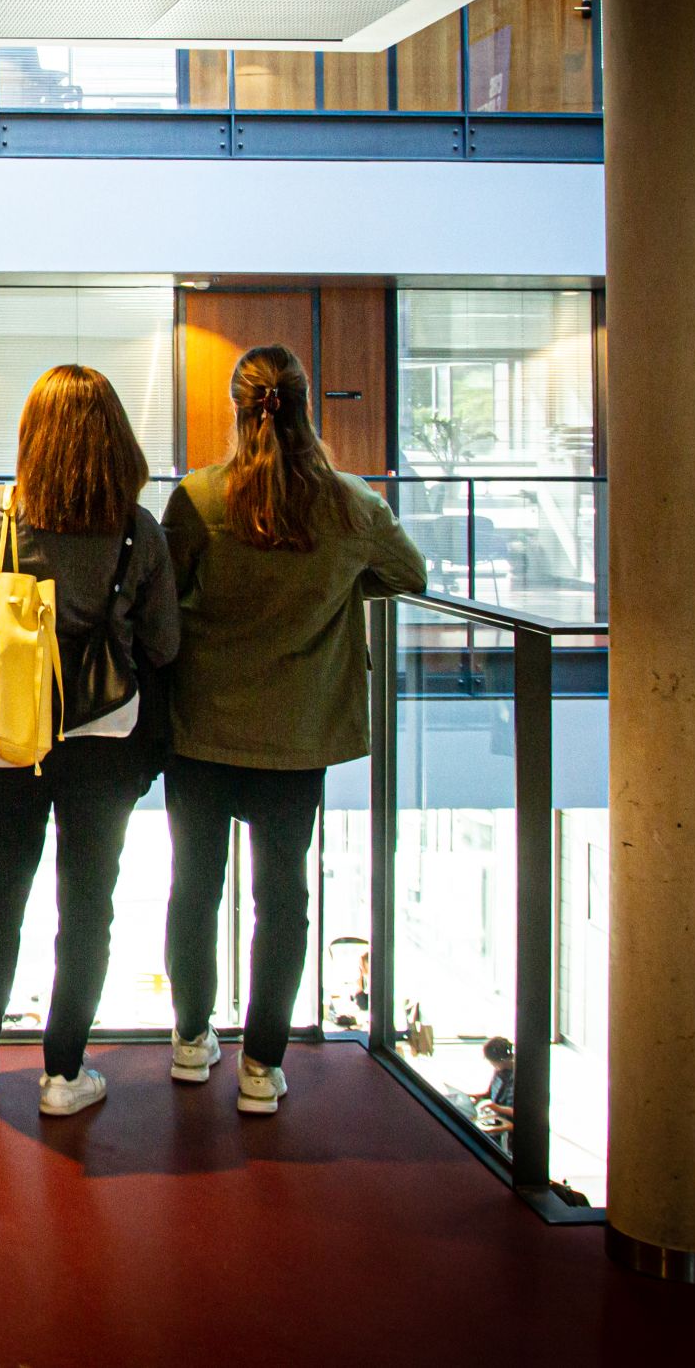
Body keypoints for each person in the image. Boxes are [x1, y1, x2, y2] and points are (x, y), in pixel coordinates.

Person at [161, 344, 425, 1115]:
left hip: (201, 727)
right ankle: (260, 1066)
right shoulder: (353, 505)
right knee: (284, 899)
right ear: (307, 405)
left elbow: (165, 595)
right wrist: (341, 585)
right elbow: (409, 574)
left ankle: (188, 1041)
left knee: (194, 888)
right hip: (298, 734)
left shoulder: (198, 497)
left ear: (238, 408)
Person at [0, 365, 178, 1117]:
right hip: (108, 740)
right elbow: (164, 644)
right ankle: (65, 1071)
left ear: (32, 437)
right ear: (116, 441)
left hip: (11, 736)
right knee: (88, 900)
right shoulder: (140, 529)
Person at [472, 1036, 518, 1142]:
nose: (492, 1065)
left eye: (492, 1062)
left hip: (509, 1121)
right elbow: (490, 1093)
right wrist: (480, 1097)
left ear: (501, 1060)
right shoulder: (499, 1071)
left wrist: (496, 1107)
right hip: (498, 1117)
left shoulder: (517, 1076)